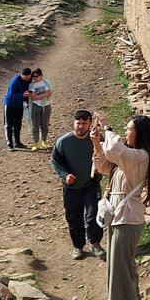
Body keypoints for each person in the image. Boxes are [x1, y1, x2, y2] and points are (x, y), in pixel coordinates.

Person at [92, 112, 150, 300]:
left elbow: (113, 148)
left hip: (127, 219)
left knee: (122, 268)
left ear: (139, 133)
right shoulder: (129, 156)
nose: (126, 132)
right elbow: (103, 166)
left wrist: (107, 128)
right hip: (118, 218)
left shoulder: (140, 157)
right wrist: (96, 144)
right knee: (116, 266)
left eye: (129, 129)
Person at [50, 110, 106, 260]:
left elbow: (108, 152)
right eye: (78, 123)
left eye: (84, 123)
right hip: (72, 188)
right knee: (74, 218)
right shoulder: (63, 142)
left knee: (93, 215)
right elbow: (55, 162)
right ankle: (78, 246)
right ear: (73, 123)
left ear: (89, 124)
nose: (80, 126)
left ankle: (95, 244)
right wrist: (65, 175)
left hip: (91, 185)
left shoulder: (96, 139)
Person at [3, 68, 33, 150]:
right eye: (25, 78)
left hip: (19, 105)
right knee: (9, 125)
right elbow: (10, 95)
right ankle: (10, 144)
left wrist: (27, 101)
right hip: (10, 105)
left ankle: (17, 142)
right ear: (21, 75)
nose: (27, 79)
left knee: (18, 124)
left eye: (28, 77)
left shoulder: (30, 80)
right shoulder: (15, 81)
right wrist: (22, 95)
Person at [27, 68, 53, 149]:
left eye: (36, 76)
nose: (34, 78)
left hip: (46, 106)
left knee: (44, 124)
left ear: (41, 75)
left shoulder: (47, 82)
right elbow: (34, 97)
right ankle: (35, 142)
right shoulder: (31, 85)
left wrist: (39, 95)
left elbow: (49, 94)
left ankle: (44, 141)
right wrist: (44, 94)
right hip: (35, 106)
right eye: (33, 77)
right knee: (35, 125)